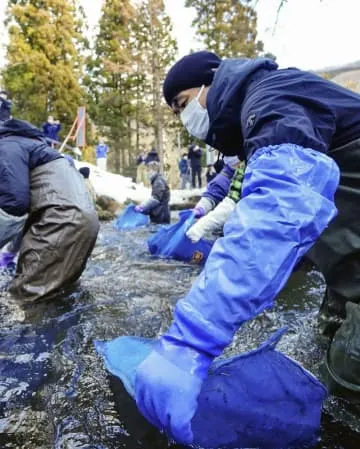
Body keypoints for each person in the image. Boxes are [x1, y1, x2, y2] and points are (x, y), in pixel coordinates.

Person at [134, 50, 360, 444]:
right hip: (348, 265)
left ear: (211, 84)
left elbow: (277, 215)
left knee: (347, 375)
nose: (185, 120)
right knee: (327, 339)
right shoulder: (258, 114)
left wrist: (192, 340)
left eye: (183, 105)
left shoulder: (271, 97)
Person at [0, 117, 99, 302]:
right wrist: (11, 252)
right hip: (85, 224)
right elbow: (26, 215)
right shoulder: (41, 150)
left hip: (59, 221)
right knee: (58, 298)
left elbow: (15, 205)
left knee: (23, 300)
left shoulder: (7, 147)